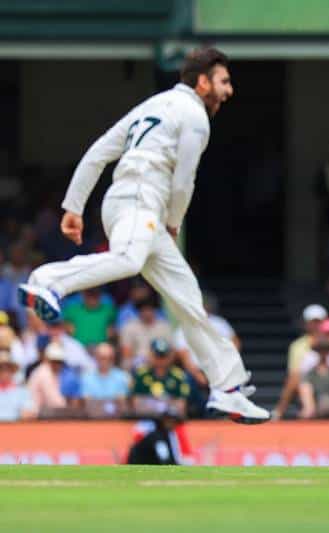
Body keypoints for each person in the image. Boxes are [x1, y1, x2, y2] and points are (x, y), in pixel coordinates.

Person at [16, 48, 268, 423]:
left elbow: (98, 151)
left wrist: (74, 206)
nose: (228, 91)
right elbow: (184, 180)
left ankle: (228, 387)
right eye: (224, 81)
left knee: (188, 300)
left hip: (128, 202)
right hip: (141, 199)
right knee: (128, 260)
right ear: (202, 82)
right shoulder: (196, 116)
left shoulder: (152, 105)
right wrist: (173, 221)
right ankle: (46, 281)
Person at [0, 349, 36, 421]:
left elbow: (30, 412)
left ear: (12, 371)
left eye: (7, 369)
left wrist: (26, 413)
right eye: (1, 369)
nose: (5, 372)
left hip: (15, 428)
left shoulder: (22, 391)